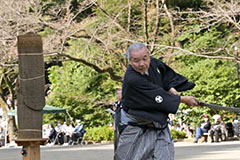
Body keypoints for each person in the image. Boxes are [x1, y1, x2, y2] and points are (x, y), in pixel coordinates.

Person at [114, 42, 199, 160]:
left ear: (149, 55)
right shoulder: (132, 79)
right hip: (136, 125)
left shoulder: (154, 63)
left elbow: (166, 76)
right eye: (136, 60)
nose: (142, 64)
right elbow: (157, 96)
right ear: (129, 61)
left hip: (158, 124)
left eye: (145, 58)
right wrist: (183, 99)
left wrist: (171, 87)